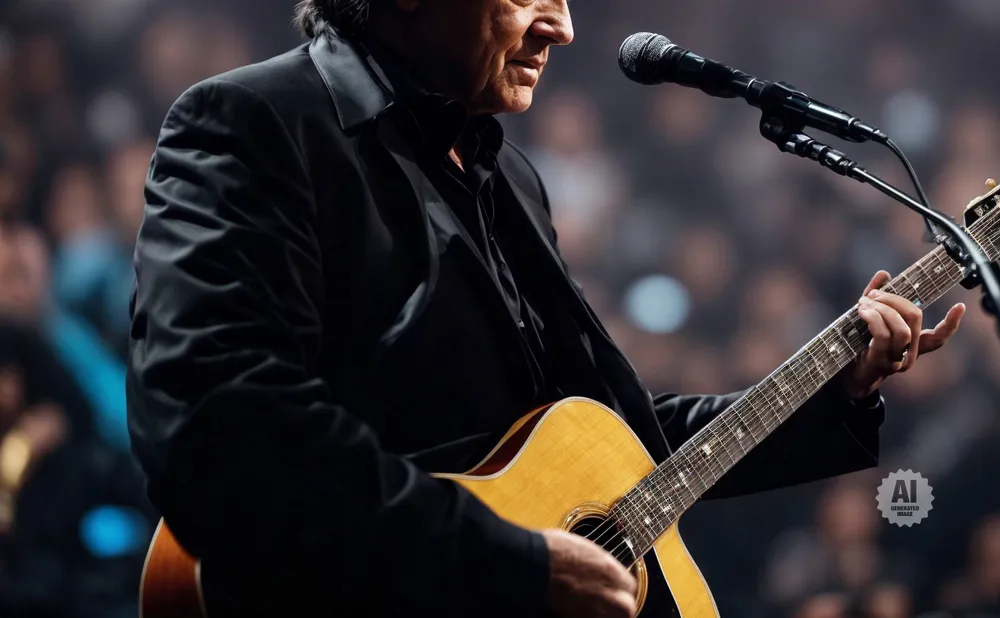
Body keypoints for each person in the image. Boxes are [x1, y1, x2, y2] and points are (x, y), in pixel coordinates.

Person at [125, 1, 966, 617]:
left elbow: (610, 452)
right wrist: (507, 566)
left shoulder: (511, 179)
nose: (563, 25)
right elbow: (220, 421)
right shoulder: (253, 123)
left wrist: (839, 387)